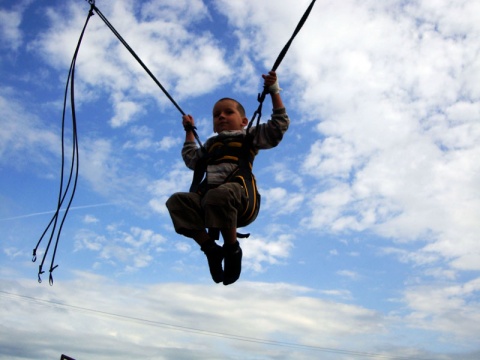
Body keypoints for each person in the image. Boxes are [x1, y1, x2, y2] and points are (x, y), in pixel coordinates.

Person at [166, 71, 289, 285]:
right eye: (216, 115)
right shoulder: (210, 146)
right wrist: (188, 132)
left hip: (240, 200)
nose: (221, 116)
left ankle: (232, 249)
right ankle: (211, 249)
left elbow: (278, 126)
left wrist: (274, 91)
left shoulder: (249, 135)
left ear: (243, 121)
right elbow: (191, 159)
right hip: (210, 204)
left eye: (228, 112)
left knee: (218, 194)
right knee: (177, 201)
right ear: (213, 125)